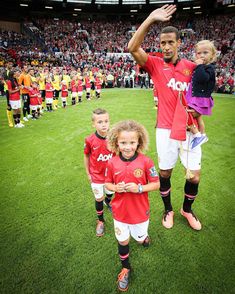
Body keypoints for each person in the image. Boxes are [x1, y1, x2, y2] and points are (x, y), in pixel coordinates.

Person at [128, 4, 203, 231]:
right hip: (165, 130)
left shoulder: (193, 68)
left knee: (194, 178)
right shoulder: (155, 64)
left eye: (171, 42)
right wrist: (150, 18)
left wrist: (198, 114)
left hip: (190, 130)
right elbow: (132, 47)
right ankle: (168, 209)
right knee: (165, 172)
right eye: (163, 43)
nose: (167, 47)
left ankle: (186, 210)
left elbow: (204, 100)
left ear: (179, 43)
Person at [105, 120, 159, 292]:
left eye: (132, 143)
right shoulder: (112, 162)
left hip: (140, 213)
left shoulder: (146, 162)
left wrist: (140, 188)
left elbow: (156, 184)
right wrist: (115, 187)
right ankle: (126, 267)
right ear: (116, 143)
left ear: (139, 142)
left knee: (139, 237)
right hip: (120, 213)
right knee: (123, 240)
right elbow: (107, 184)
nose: (127, 147)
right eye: (123, 143)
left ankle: (143, 237)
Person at [84, 108, 114, 237]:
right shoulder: (90, 140)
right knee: (98, 198)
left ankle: (108, 201)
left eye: (106, 121)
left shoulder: (114, 138)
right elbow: (86, 156)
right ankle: (100, 221)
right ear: (93, 124)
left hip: (110, 177)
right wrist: (88, 173)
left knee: (109, 194)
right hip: (96, 176)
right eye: (100, 122)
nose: (104, 124)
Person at [186, 40, 216, 149]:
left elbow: (203, 78)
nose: (202, 55)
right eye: (199, 53)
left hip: (201, 98)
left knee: (189, 115)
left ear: (212, 55)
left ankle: (198, 134)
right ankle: (202, 135)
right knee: (198, 118)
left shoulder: (209, 68)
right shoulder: (200, 67)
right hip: (195, 97)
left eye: (205, 52)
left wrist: (199, 66)